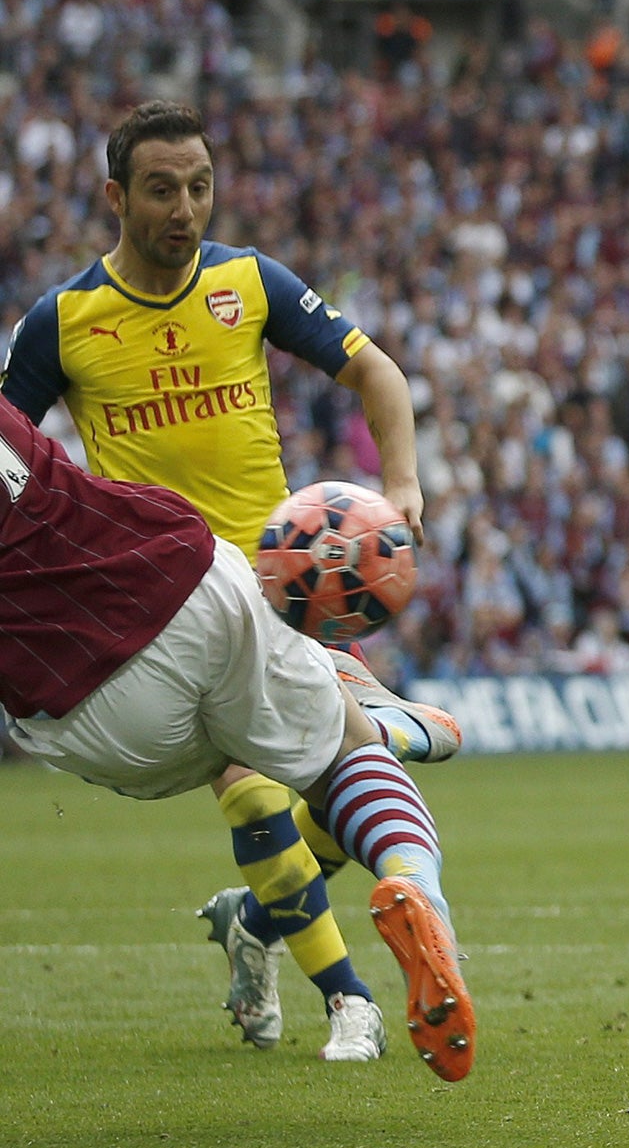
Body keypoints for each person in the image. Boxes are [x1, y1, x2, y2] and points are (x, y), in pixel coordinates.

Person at [0, 101, 460, 1064]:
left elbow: (378, 373)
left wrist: (405, 482)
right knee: (256, 787)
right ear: (117, 196)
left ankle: (257, 918)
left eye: (200, 187)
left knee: (325, 777)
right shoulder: (64, 321)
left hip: (286, 587)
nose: (185, 208)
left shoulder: (250, 283)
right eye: (162, 189)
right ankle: (350, 1000)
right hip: (154, 603)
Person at [0, 391, 475, 1081]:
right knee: (340, 756)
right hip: (176, 581)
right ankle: (415, 879)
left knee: (245, 767)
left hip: (89, 715)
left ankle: (300, 941)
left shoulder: (64, 321)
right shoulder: (94, 313)